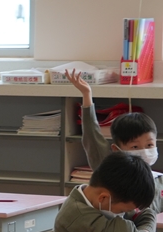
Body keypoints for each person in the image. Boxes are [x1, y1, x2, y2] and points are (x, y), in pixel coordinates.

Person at [69, 68, 163, 213]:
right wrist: (87, 95)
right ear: (116, 149)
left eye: (149, 145)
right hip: (118, 227)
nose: (144, 151)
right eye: (135, 147)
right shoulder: (111, 170)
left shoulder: (159, 180)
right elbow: (92, 135)